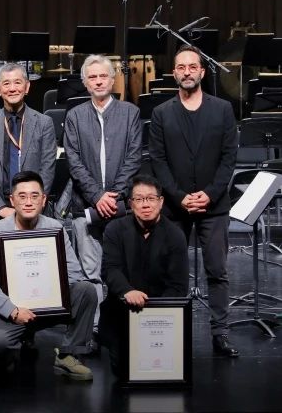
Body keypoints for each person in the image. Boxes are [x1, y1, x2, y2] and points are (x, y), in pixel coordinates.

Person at [148, 44, 239, 357]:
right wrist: (179, 196)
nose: (187, 72)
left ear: (201, 71)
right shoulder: (161, 113)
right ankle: (172, 333)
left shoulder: (223, 109)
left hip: (214, 206)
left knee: (217, 271)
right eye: (181, 67)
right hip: (176, 207)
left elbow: (228, 158)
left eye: (192, 67)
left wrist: (209, 194)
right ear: (174, 73)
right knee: (172, 272)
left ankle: (220, 334)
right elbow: (158, 160)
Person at [0, 171, 96, 380]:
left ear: (43, 199)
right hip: (12, 309)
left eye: (34, 196)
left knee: (86, 290)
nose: (28, 202)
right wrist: (11, 310)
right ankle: (7, 355)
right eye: (22, 196)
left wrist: (50, 291)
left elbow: (74, 272)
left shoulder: (55, 228)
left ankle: (69, 355)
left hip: (48, 305)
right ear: (12, 200)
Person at [63, 54, 141, 330]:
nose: (98, 81)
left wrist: (114, 195)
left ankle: (121, 327)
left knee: (123, 269)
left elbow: (134, 157)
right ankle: (94, 328)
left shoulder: (130, 113)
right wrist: (97, 196)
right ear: (85, 82)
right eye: (92, 77)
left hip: (121, 207)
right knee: (90, 271)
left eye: (103, 76)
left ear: (112, 79)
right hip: (85, 206)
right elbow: (73, 161)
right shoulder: (74, 116)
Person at [99, 174, 189, 373]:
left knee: (161, 370)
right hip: (123, 308)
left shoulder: (175, 235)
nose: (145, 204)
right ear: (130, 204)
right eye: (139, 199)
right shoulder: (115, 229)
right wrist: (127, 291)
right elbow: (110, 269)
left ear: (161, 201)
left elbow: (178, 285)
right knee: (123, 369)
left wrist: (154, 316)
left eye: (151, 198)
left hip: (161, 314)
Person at [0, 63, 57, 222]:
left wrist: (33, 202)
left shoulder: (44, 123)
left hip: (34, 208)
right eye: (6, 83)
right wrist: (0, 208)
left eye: (18, 82)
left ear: (27, 87)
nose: (12, 88)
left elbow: (47, 167)